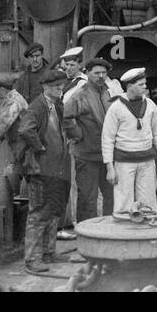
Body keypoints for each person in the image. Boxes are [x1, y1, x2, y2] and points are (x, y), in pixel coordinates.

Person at [16, 69, 70, 274]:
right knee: (39, 214)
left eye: (61, 85)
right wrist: (40, 148)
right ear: (46, 87)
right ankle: (32, 259)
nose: (60, 89)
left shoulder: (56, 105)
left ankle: (48, 252)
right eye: (56, 86)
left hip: (56, 169)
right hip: (40, 170)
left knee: (54, 211)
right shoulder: (37, 107)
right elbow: (25, 130)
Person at [101, 67, 157, 213]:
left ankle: (147, 233)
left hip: (147, 162)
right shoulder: (116, 108)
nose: (145, 87)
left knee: (148, 203)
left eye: (145, 83)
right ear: (129, 86)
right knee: (123, 203)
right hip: (124, 162)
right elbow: (107, 139)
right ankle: (124, 233)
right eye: (141, 84)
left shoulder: (150, 105)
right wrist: (110, 168)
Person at [62, 57, 117, 222]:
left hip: (107, 156)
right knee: (88, 198)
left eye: (103, 72)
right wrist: (78, 135)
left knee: (112, 196)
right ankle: (86, 233)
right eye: (96, 73)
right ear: (87, 73)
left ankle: (109, 231)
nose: (100, 76)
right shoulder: (80, 95)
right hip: (86, 156)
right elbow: (66, 117)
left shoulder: (108, 92)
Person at [0, 77, 29, 189]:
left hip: (23, 144)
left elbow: (4, 122)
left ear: (2, 88)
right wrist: (0, 138)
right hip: (21, 143)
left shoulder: (12, 101)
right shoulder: (13, 98)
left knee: (29, 175)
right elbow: (10, 123)